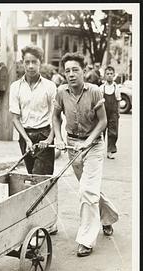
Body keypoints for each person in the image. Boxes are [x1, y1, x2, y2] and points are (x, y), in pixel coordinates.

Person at [52, 52, 119, 257]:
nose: (71, 74)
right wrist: (58, 138)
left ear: (84, 70)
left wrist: (88, 142)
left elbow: (103, 121)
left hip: (94, 145)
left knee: (87, 192)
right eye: (67, 71)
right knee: (89, 189)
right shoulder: (61, 92)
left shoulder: (95, 91)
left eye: (75, 70)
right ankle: (108, 218)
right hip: (72, 145)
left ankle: (86, 240)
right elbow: (55, 117)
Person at [9, 45, 58, 234]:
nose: (30, 66)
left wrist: (51, 138)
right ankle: (43, 221)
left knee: (40, 180)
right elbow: (15, 117)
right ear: (22, 63)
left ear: (40, 63)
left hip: (45, 135)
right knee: (31, 179)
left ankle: (43, 224)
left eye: (34, 62)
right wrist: (26, 140)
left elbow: (56, 116)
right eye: (27, 62)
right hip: (26, 137)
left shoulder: (49, 86)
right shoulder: (16, 87)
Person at [100, 65, 121, 159]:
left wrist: (118, 112)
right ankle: (99, 151)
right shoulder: (101, 88)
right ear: (104, 75)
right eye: (107, 74)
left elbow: (118, 101)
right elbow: (99, 102)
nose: (109, 75)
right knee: (101, 132)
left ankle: (110, 151)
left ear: (113, 75)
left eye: (111, 74)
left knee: (113, 133)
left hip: (113, 113)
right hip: (103, 113)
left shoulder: (116, 87)